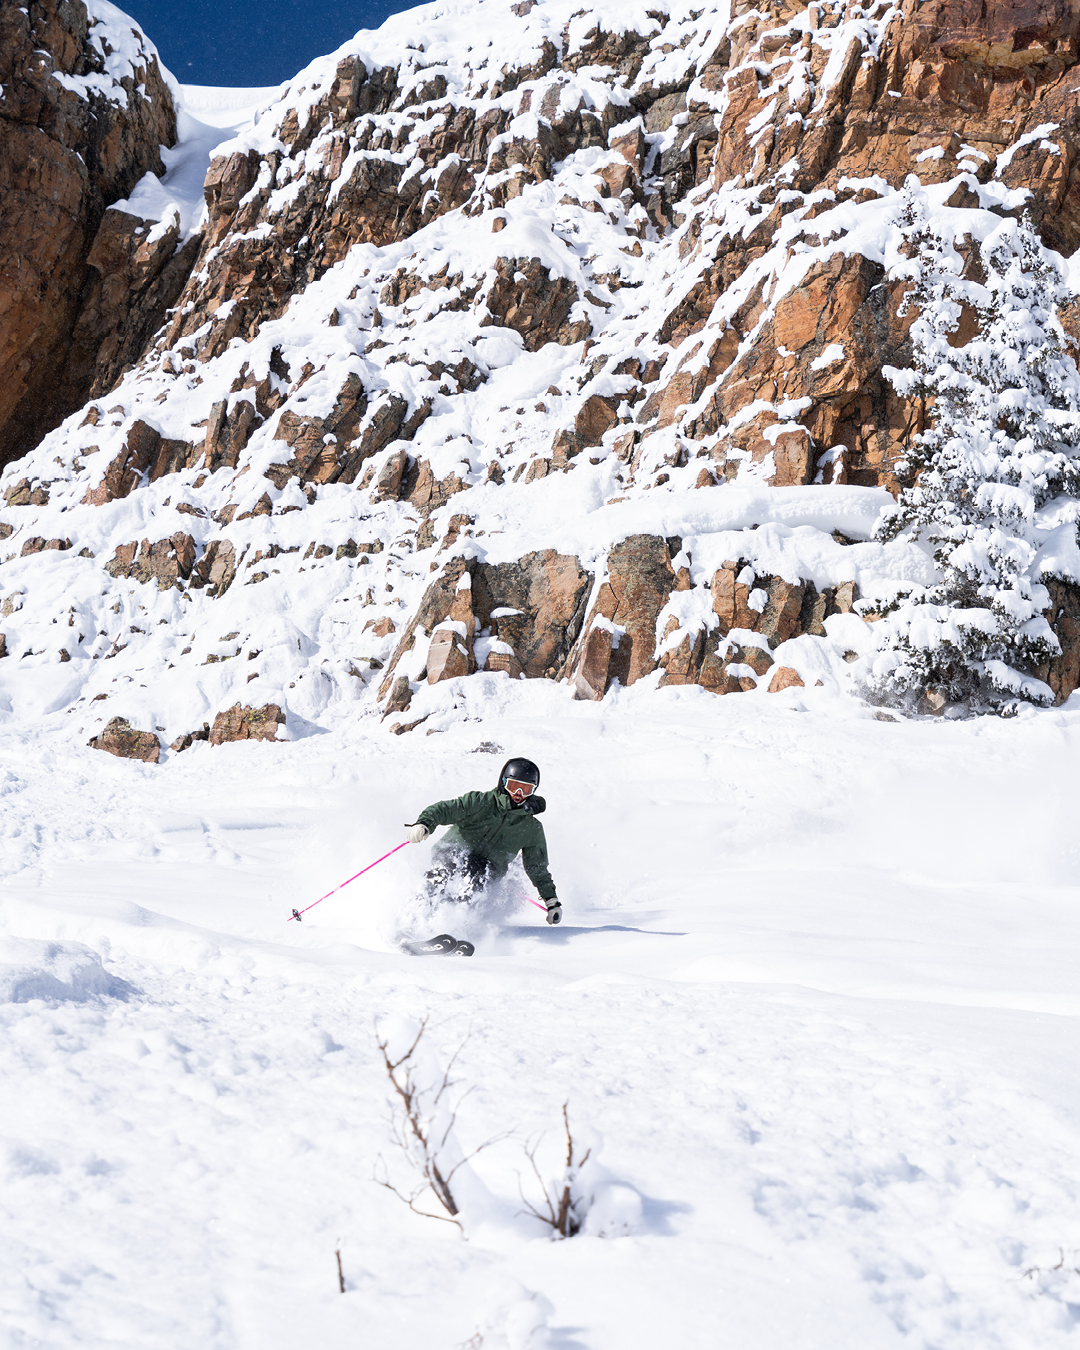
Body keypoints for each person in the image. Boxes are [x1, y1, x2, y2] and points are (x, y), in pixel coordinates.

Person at [406, 757, 562, 924]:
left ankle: (454, 926)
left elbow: (537, 867)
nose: (519, 794)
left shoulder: (531, 828)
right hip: (453, 851)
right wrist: (424, 823)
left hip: (487, 868)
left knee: (478, 878)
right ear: (503, 783)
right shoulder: (481, 802)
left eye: (526, 789)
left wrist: (551, 900)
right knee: (442, 873)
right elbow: (446, 809)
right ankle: (412, 918)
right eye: (514, 786)